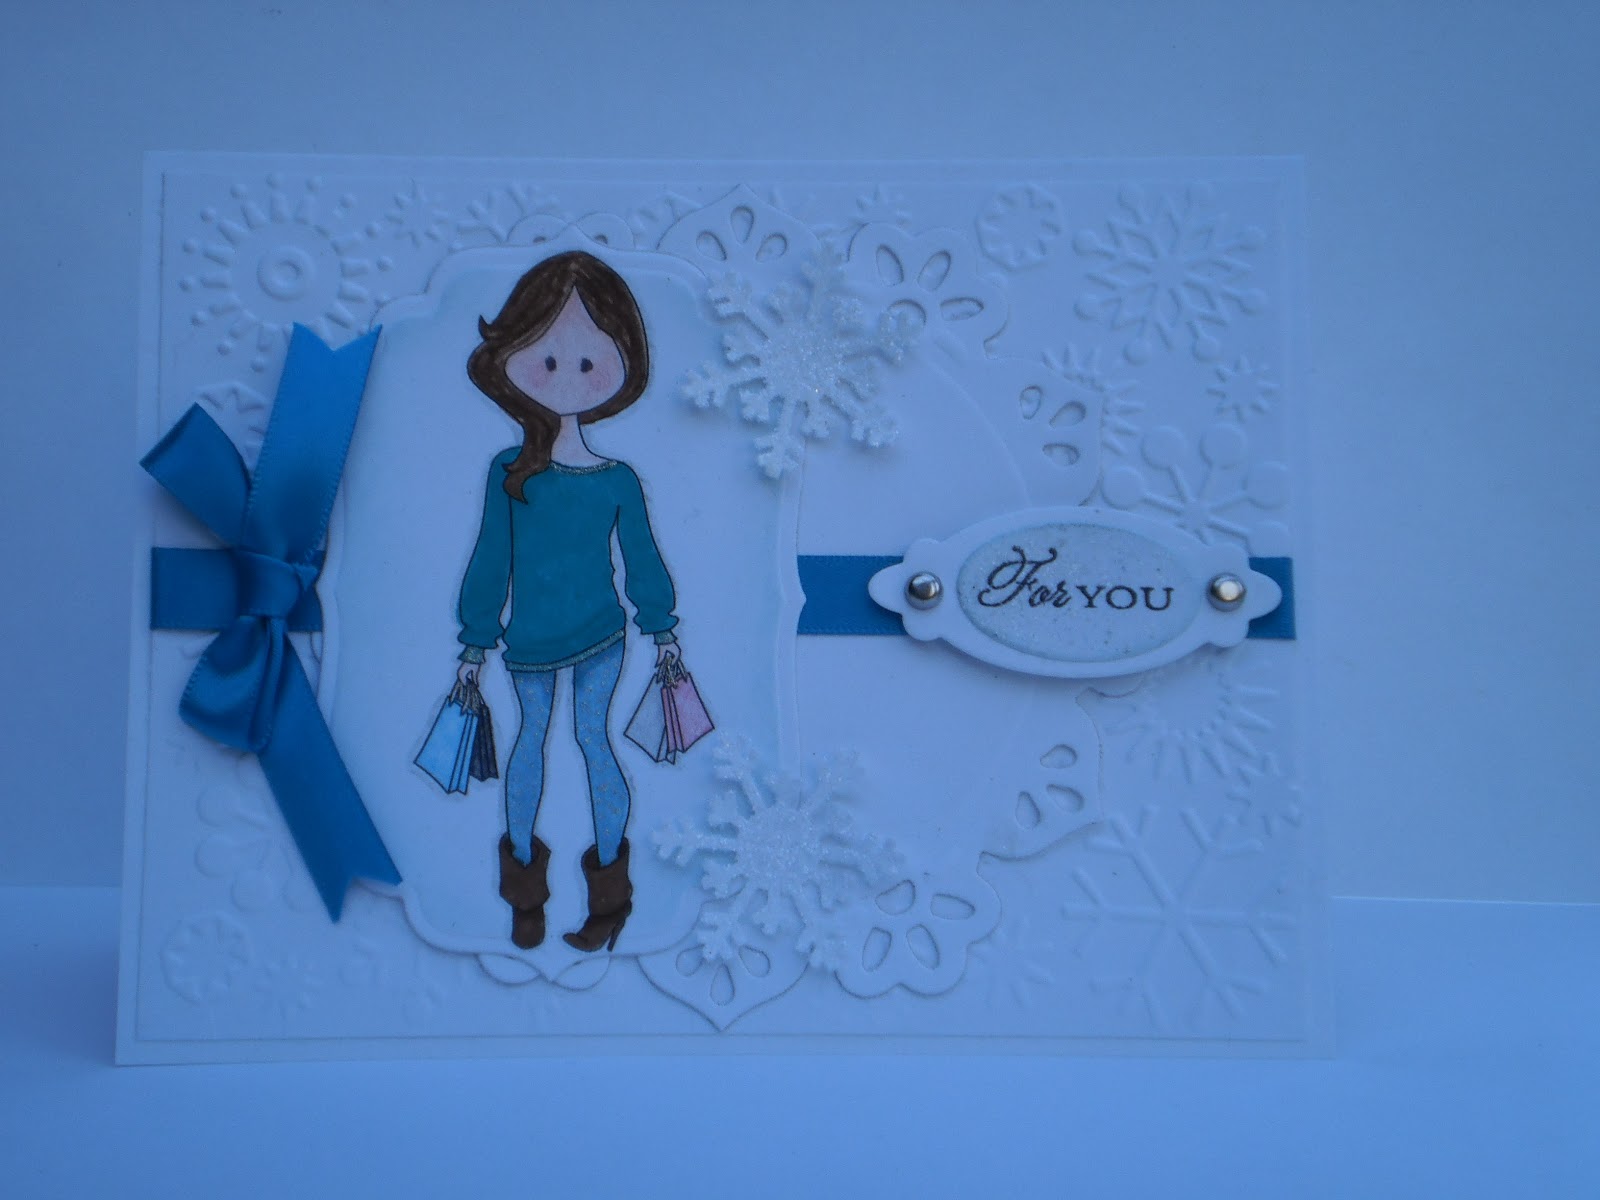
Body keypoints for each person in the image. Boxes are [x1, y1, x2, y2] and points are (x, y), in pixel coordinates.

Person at [454, 250, 680, 953]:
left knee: (591, 740)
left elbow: (642, 559)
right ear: (514, 358)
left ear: (623, 363)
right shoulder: (509, 473)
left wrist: (662, 628)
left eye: (588, 361)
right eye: (547, 359)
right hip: (529, 640)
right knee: (532, 742)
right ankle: (525, 899)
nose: (566, 376)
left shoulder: (617, 479)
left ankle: (609, 901)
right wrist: (474, 639)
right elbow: (491, 558)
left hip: (600, 636)